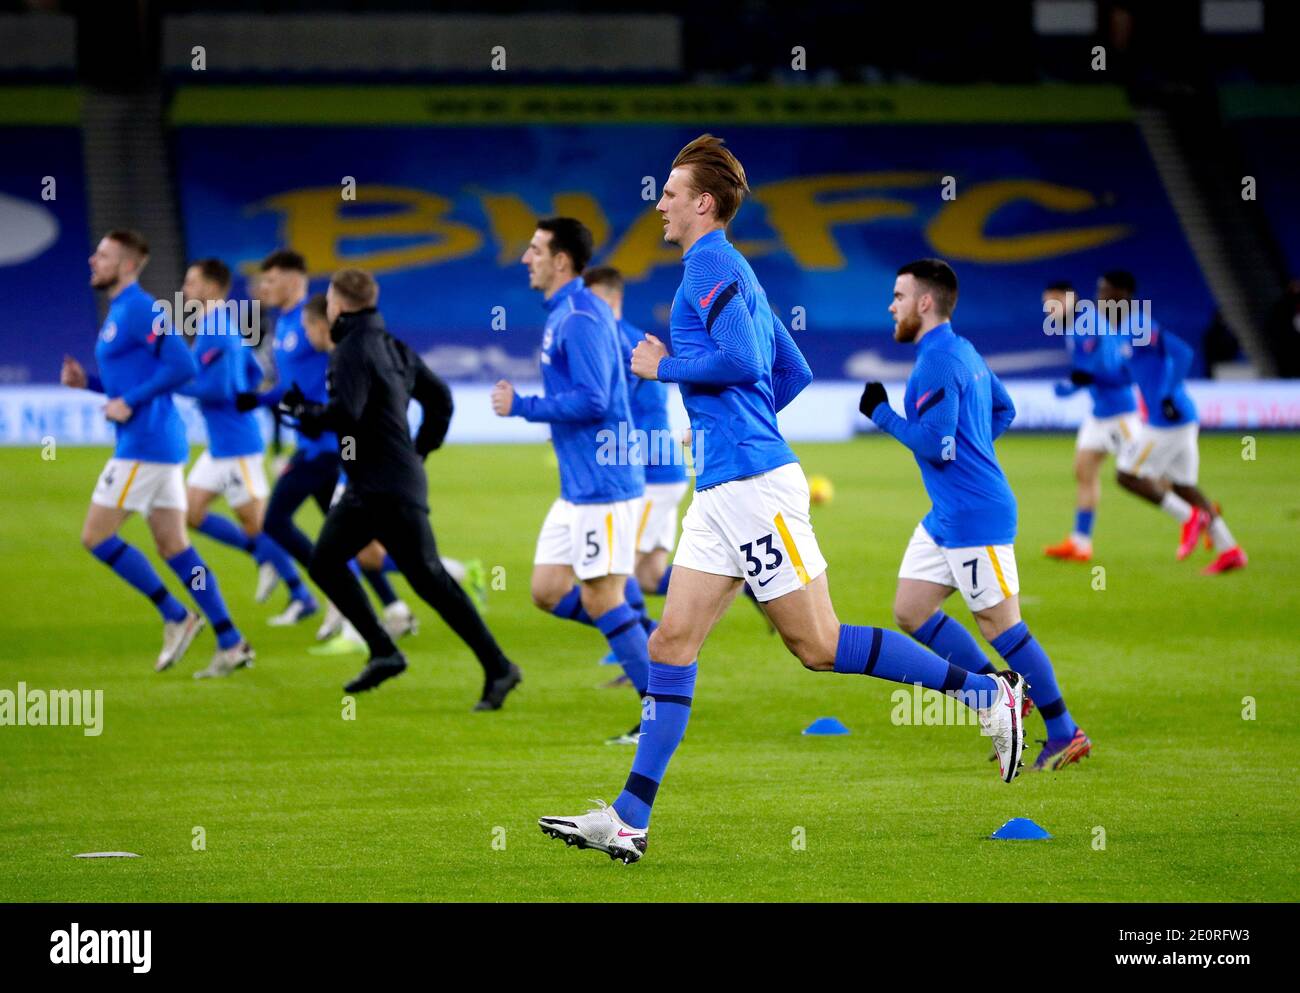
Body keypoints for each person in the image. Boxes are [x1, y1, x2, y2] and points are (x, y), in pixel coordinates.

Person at [538, 136, 1025, 865]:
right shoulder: (733, 271)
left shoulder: (708, 263)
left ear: (703, 202)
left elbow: (740, 360)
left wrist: (664, 366)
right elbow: (787, 371)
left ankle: (987, 696)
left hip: (750, 486)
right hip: (723, 487)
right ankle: (630, 816)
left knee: (819, 645)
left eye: (670, 192)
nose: (660, 203)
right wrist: (745, 419)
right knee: (671, 644)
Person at [866, 259, 1090, 772]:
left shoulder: (937, 362)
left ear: (925, 302)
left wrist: (880, 414)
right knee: (911, 609)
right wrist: (974, 453)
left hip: (973, 516)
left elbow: (939, 446)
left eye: (898, 296)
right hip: (948, 514)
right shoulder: (963, 351)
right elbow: (1003, 409)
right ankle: (1000, 696)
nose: (891, 306)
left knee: (1000, 624)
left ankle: (1064, 731)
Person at [282, 269, 522, 708]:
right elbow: (441, 399)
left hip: (375, 485)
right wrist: (419, 450)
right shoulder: (393, 346)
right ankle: (496, 666)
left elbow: (347, 414)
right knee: (426, 579)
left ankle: (386, 650)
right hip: (393, 480)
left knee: (328, 562)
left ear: (337, 305)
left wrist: (305, 412)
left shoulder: (349, 350)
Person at [61, 229, 253, 677]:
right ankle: (230, 640)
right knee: (175, 547)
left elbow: (182, 365)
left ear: (128, 265)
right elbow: (131, 381)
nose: (93, 260)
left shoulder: (140, 309)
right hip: (158, 444)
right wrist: (87, 384)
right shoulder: (123, 313)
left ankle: (175, 614)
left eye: (103, 255)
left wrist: (130, 402)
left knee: (96, 537)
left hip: (143, 446)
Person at [492, 219, 653, 743]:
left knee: (603, 601)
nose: (525, 258)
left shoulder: (580, 316)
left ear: (561, 261)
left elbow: (594, 400)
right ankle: (646, 645)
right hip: (579, 485)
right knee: (546, 590)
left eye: (534, 249)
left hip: (602, 486)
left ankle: (659, 707)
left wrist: (525, 408)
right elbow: (610, 389)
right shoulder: (569, 312)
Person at [237, 250, 408, 634]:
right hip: (314, 442)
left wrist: (331, 414)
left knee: (279, 522)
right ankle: (399, 604)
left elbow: (344, 365)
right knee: (357, 540)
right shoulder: (283, 324)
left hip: (330, 446)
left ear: (295, 279)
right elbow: (288, 387)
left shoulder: (315, 319)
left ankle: (337, 597)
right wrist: (260, 398)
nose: (264, 287)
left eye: (271, 279)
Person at [177, 258, 315, 617]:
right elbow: (253, 369)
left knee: (260, 525)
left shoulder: (217, 329)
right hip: (222, 443)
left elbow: (219, 387)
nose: (185, 291)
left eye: (191, 284)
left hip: (237, 445)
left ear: (209, 288)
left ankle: (303, 594)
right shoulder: (221, 324)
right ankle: (264, 557)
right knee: (191, 513)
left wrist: (176, 383)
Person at [1107, 271, 1248, 574]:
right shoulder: (1123, 329)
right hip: (1179, 418)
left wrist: (1168, 394)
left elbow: (1183, 353)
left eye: (1105, 291)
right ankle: (1230, 550)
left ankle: (1190, 518)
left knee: (1126, 475)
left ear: (1123, 293)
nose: (1100, 297)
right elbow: (1135, 370)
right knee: (1184, 485)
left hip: (1167, 420)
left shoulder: (1138, 324)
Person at [1042, 279, 1140, 562]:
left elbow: (1101, 369)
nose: (1048, 310)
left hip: (1119, 413)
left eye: (1052, 303)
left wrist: (1071, 386)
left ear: (1068, 299)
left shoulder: (1087, 323)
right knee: (1084, 470)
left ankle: (1198, 514)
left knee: (1145, 476)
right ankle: (1080, 543)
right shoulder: (1077, 325)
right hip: (1100, 413)